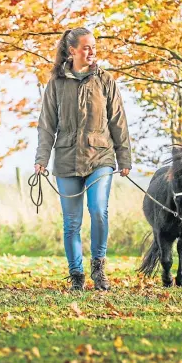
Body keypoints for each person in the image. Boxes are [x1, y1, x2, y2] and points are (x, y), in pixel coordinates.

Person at [34, 27, 132, 291]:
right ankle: (76, 274)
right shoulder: (56, 83)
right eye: (86, 47)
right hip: (66, 160)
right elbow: (46, 125)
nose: (92, 51)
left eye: (94, 46)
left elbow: (118, 122)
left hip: (100, 156)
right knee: (72, 223)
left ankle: (98, 268)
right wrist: (41, 157)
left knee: (99, 210)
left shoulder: (105, 80)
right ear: (72, 50)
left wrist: (124, 158)